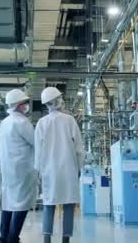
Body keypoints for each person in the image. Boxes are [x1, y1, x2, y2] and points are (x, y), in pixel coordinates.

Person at [35, 87, 84, 243]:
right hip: (69, 169)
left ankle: (46, 239)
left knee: (49, 204)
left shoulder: (41, 123)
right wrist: (80, 167)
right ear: (58, 100)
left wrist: (39, 171)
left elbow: (38, 151)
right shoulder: (69, 120)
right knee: (68, 204)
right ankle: (65, 240)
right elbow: (79, 148)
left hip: (49, 170)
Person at [0, 89, 36, 243]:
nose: (26, 105)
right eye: (24, 103)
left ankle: (4, 237)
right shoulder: (22, 121)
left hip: (8, 170)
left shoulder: (4, 123)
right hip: (22, 170)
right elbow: (36, 142)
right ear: (18, 105)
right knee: (21, 205)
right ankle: (13, 238)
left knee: (8, 204)